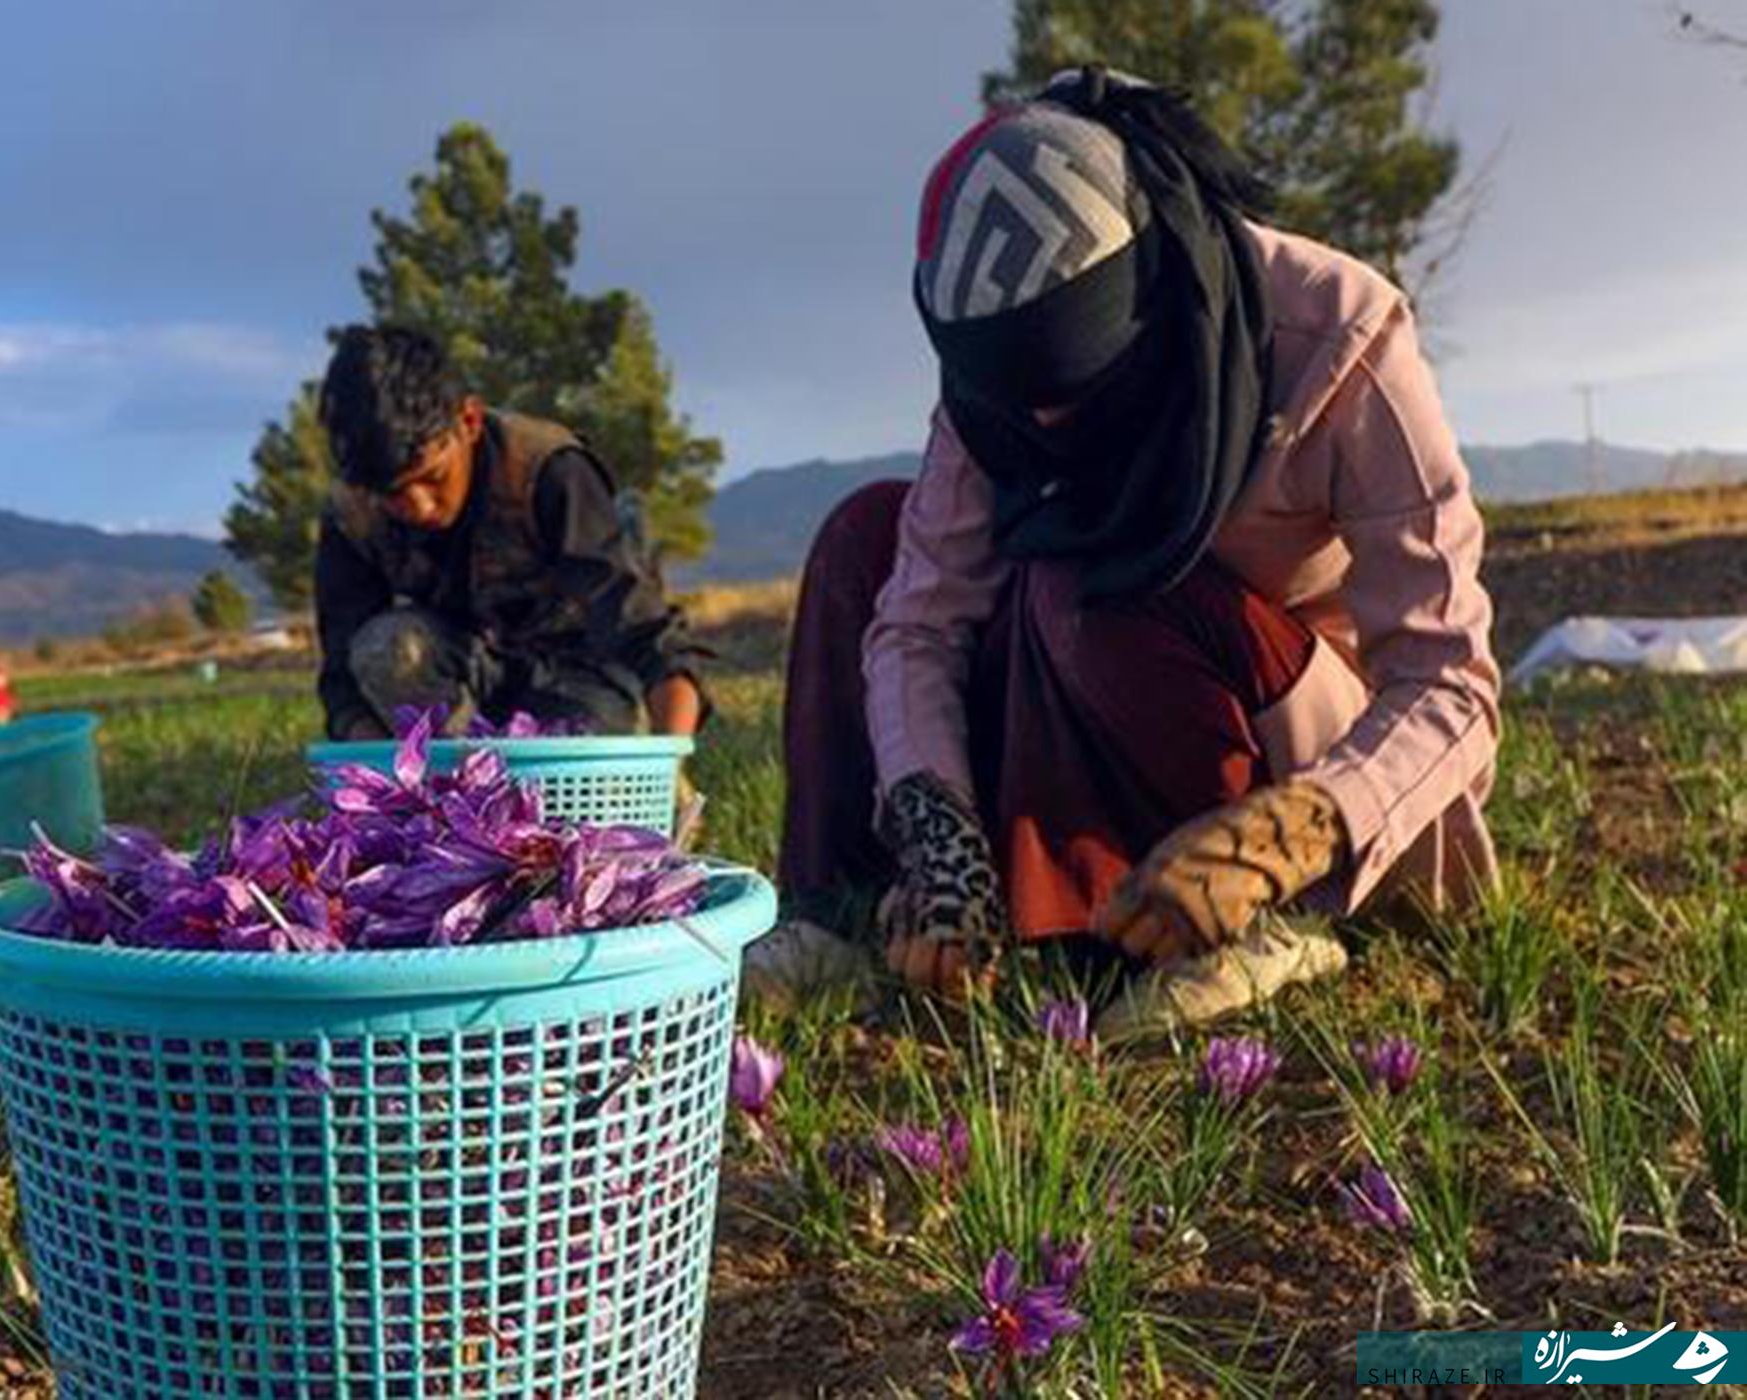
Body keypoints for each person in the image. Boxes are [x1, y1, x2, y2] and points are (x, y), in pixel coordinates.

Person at [760, 68, 1500, 1042]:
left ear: (1156, 291)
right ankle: (849, 911)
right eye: (1017, 402)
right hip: (1075, 688)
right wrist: (937, 829)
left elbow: (1450, 683)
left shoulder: (1339, 336)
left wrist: (1298, 828)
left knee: (1087, 573)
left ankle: (1263, 925)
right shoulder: (996, 396)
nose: (1047, 427)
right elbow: (919, 622)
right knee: (868, 534)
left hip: (1284, 756)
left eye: (1080, 386)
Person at [312, 324, 706, 741]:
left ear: (469, 420)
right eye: (391, 493)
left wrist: (671, 761)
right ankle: (456, 783)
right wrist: (381, 767)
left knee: (582, 764)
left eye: (433, 478)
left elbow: (643, 630)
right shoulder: (353, 512)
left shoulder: (548, 471)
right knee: (382, 649)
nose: (419, 507)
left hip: (574, 669)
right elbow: (343, 670)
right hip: (460, 672)